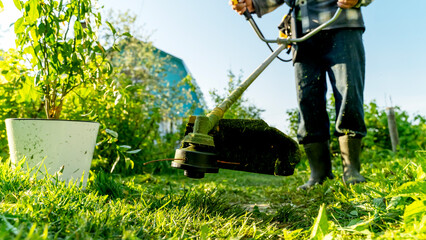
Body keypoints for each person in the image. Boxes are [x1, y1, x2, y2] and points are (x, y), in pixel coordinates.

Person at [230, 0, 374, 189]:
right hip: (302, 35)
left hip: (342, 23)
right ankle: (319, 173)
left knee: (348, 92)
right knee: (307, 100)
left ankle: (351, 170)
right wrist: (252, 3)